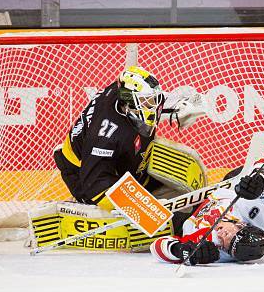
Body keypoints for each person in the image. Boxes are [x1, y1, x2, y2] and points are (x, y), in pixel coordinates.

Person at [54, 65, 197, 212]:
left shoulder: (123, 93)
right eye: (147, 102)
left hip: (113, 160)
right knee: (126, 212)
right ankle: (85, 204)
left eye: (153, 100)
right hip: (82, 173)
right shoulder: (105, 135)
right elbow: (95, 183)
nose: (153, 106)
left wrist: (176, 106)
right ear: (129, 101)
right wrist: (141, 209)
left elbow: (148, 98)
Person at [150, 160, 264, 264]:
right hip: (227, 189)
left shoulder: (212, 249)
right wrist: (259, 179)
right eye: (229, 234)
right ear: (242, 225)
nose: (221, 235)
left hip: (190, 218)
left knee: (163, 224)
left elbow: (156, 247)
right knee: (243, 175)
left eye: (225, 245)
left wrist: (179, 251)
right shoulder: (254, 212)